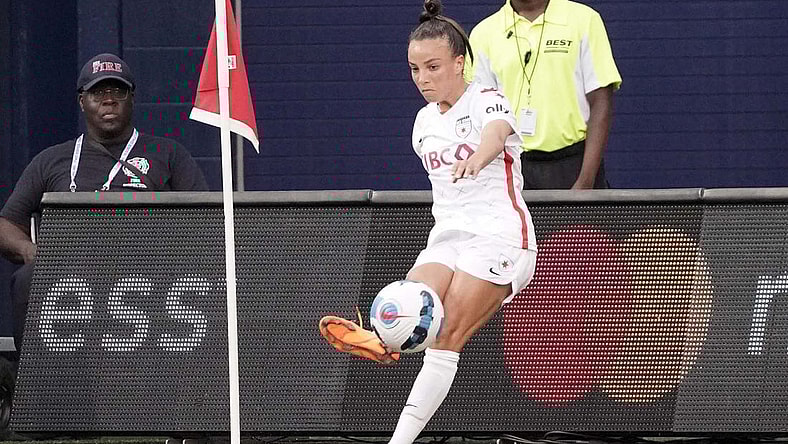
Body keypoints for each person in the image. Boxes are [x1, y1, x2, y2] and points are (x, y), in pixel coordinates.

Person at [319, 1, 537, 443]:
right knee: (405, 304)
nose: (423, 78)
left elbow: (496, 134)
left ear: (460, 63)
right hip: (448, 237)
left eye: (434, 66)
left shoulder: (486, 98)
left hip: (499, 237)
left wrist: (479, 155)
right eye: (415, 68)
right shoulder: (422, 123)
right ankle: (383, 340)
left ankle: (400, 440)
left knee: (443, 337)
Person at [0, 52, 209, 355]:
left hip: (150, 272)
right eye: (98, 92)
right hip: (71, 273)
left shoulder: (168, 154)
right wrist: (29, 251)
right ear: (82, 101)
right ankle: (36, 386)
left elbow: (206, 221)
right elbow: (7, 223)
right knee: (27, 279)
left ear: (132, 98)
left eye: (117, 91)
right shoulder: (51, 160)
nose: (108, 100)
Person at [467, 0, 622, 189]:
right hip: (512, 165)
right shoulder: (484, 33)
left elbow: (600, 101)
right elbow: (481, 113)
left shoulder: (584, 19)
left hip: (575, 163)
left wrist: (585, 182)